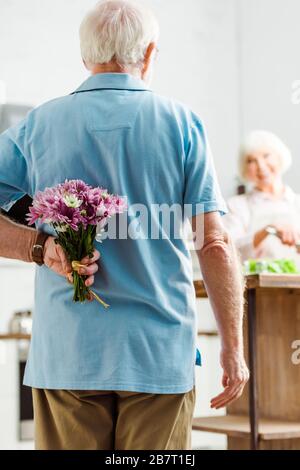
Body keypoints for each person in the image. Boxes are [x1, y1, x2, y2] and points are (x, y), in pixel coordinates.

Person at [0, 0, 248, 450]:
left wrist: (39, 248)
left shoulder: (38, 125)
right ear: (149, 53)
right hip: (157, 356)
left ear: (84, 55)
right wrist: (233, 348)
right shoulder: (182, 124)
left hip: (67, 356)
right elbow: (214, 243)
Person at [223, 130, 300, 262]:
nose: (260, 166)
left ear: (280, 157)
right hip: (255, 282)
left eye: (266, 156)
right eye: (251, 161)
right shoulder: (237, 205)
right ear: (244, 169)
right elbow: (230, 250)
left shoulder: (297, 202)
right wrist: (269, 229)